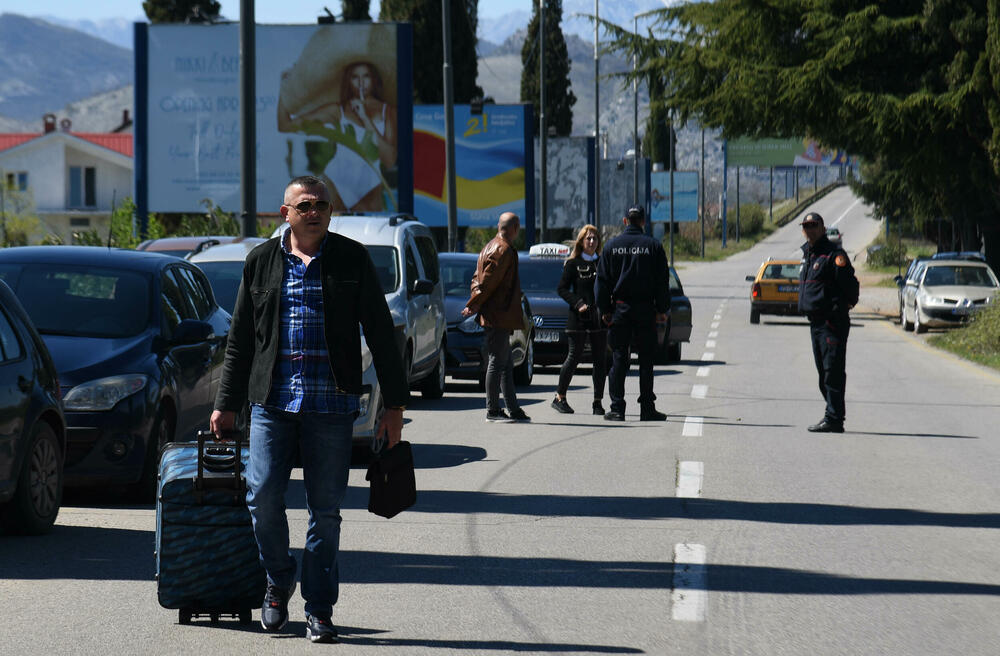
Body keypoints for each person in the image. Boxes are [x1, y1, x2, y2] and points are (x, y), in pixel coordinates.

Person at [210, 176, 409, 643]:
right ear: (286, 213)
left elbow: (382, 334)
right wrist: (225, 404)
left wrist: (394, 406)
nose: (315, 211)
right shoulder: (261, 262)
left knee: (326, 512)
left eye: (322, 204)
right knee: (261, 497)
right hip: (272, 404)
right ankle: (278, 582)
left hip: (331, 405)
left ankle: (319, 608)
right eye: (305, 204)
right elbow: (240, 340)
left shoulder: (350, 259)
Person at [277, 27, 398, 213]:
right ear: (348, 81)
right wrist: (284, 91)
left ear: (374, 79)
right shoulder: (338, 110)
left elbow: (389, 159)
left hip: (371, 191)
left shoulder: (387, 111)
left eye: (366, 76)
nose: (361, 83)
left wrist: (366, 120)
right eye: (355, 77)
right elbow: (286, 125)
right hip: (336, 186)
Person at [596, 205, 670, 422]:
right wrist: (663, 309)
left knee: (619, 359)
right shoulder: (654, 246)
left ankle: (617, 408)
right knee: (646, 361)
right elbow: (662, 283)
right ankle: (647, 408)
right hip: (646, 310)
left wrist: (605, 310)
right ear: (644, 222)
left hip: (620, 309)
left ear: (625, 220)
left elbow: (601, 283)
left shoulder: (611, 246)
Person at [462, 212, 530, 423]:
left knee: (506, 363)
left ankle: (513, 409)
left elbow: (477, 278)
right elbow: (488, 283)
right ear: (515, 228)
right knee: (497, 362)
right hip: (498, 316)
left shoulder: (489, 246)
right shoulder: (504, 249)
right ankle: (492, 410)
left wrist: (475, 301)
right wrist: (473, 304)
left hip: (497, 315)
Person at [797, 211, 859, 433]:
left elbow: (851, 287)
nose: (810, 229)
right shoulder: (810, 254)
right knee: (823, 373)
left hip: (831, 322)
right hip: (816, 323)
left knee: (832, 371)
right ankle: (833, 412)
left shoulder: (833, 254)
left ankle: (834, 418)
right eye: (806, 226)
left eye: (814, 225)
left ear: (823, 228)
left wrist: (841, 307)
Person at [552, 224, 607, 415]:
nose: (591, 241)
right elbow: (562, 289)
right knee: (573, 357)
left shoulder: (602, 263)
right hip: (578, 318)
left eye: (594, 238)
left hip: (598, 318)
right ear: (581, 241)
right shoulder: (573, 263)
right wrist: (578, 303)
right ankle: (560, 397)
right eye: (588, 238)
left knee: (600, 360)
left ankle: (597, 402)